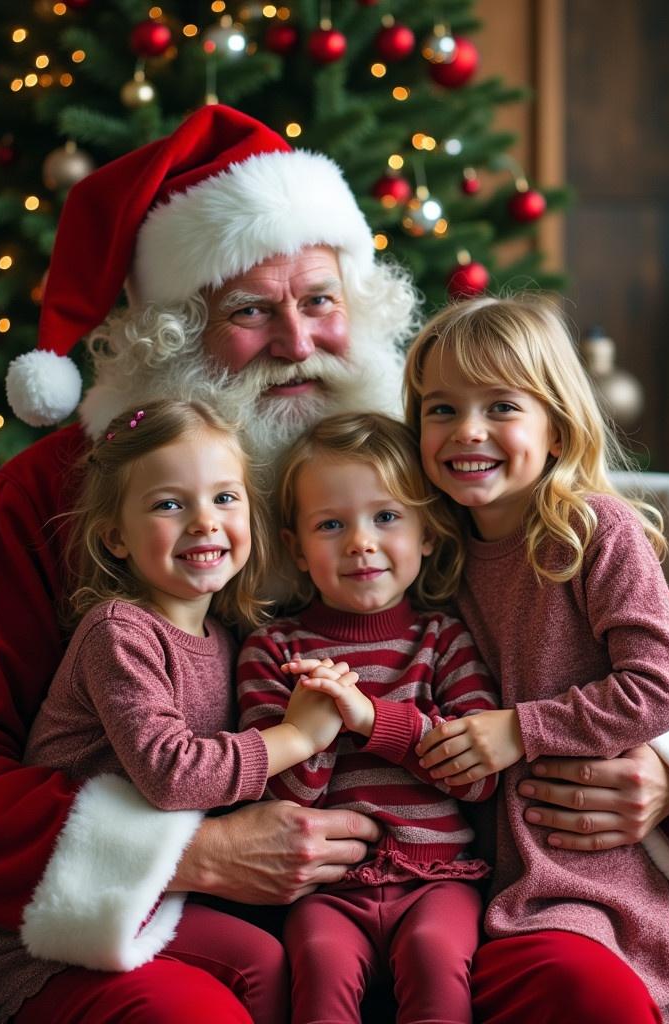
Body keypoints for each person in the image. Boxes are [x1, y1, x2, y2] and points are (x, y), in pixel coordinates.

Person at [0, 104, 669, 1020]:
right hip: (156, 922)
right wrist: (189, 855)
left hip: (461, 896)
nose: (299, 344)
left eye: (321, 302)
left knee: (579, 996)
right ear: (175, 331)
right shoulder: (59, 494)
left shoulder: (427, 472)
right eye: (252, 311)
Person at [0, 398, 352, 1024]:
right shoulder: (119, 633)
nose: (204, 522)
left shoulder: (225, 638)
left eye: (225, 499)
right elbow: (173, 775)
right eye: (169, 504)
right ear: (114, 535)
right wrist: (296, 737)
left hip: (154, 901)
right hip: (63, 929)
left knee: (266, 961)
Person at [404, 293, 669, 1023]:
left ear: (557, 426)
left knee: (584, 987)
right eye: (440, 410)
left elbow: (657, 688)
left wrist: (519, 729)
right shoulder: (427, 551)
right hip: (464, 872)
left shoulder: (594, 532)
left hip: (586, 871)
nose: (466, 431)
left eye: (501, 406)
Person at [238, 411, 498, 1023]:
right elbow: (275, 795)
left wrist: (369, 717)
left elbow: (478, 776)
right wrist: (315, 730)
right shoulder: (275, 651)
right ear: (296, 549)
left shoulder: (445, 640)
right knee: (321, 966)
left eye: (386, 517)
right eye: (331, 524)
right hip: (327, 891)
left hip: (439, 878)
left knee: (437, 960)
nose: (360, 541)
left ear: (427, 532)